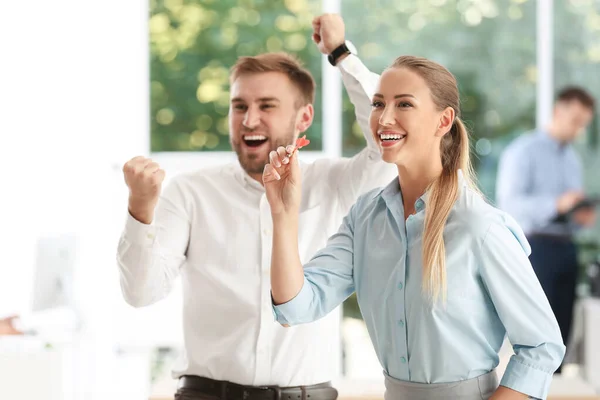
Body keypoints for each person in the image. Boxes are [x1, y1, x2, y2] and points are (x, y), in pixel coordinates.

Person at [117, 14, 396, 400]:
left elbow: (387, 133)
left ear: (304, 118)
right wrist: (140, 209)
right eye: (238, 106)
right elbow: (140, 292)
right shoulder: (191, 193)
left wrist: (341, 54)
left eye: (267, 106)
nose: (249, 120)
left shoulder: (334, 185)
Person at [264, 55, 565, 400]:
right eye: (378, 104)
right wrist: (283, 213)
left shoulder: (478, 226)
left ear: (444, 121)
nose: (384, 117)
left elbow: (541, 348)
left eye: (404, 103)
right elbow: (294, 308)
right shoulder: (365, 217)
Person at [496, 87, 596, 371]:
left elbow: (570, 211)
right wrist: (557, 203)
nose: (578, 129)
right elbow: (510, 205)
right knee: (536, 335)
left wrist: (580, 215)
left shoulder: (571, 159)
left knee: (562, 331)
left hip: (567, 248)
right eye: (575, 120)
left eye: (583, 124)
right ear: (557, 111)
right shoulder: (523, 151)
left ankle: (556, 386)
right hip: (535, 250)